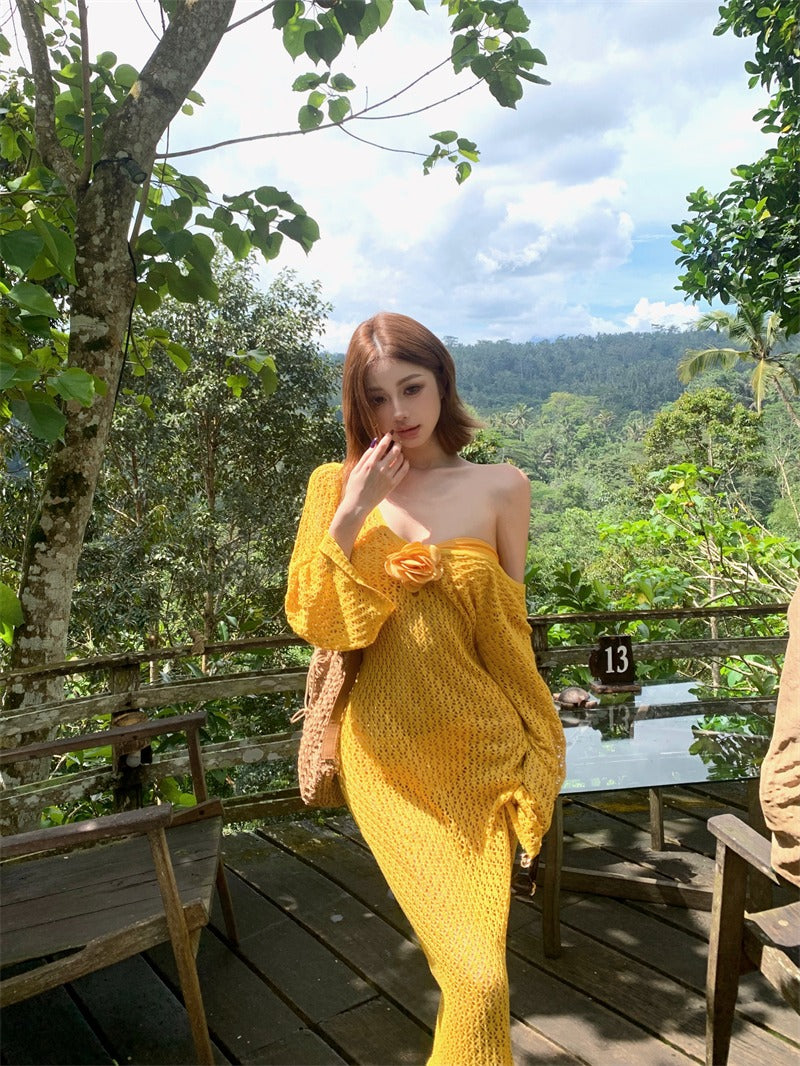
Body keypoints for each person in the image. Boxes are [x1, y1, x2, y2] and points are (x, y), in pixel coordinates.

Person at [285, 312, 566, 1066]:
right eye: (376, 399)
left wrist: (538, 741)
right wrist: (352, 511)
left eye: (411, 388)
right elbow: (315, 619)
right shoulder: (334, 487)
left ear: (442, 381)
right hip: (387, 761)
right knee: (477, 978)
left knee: (475, 977)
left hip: (480, 754)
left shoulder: (502, 487)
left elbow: (507, 634)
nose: (398, 413)